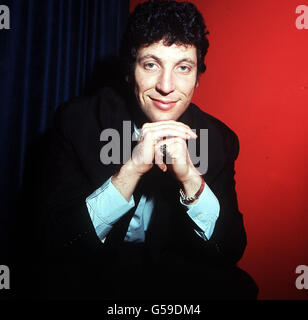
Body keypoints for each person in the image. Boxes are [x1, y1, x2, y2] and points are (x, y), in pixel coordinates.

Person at [37, 0, 258, 300]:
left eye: (183, 67)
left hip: (173, 271)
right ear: (130, 72)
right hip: (95, 267)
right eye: (151, 64)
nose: (166, 86)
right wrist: (130, 170)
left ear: (197, 78)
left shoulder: (218, 139)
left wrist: (191, 178)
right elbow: (54, 242)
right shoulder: (79, 122)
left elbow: (229, 248)